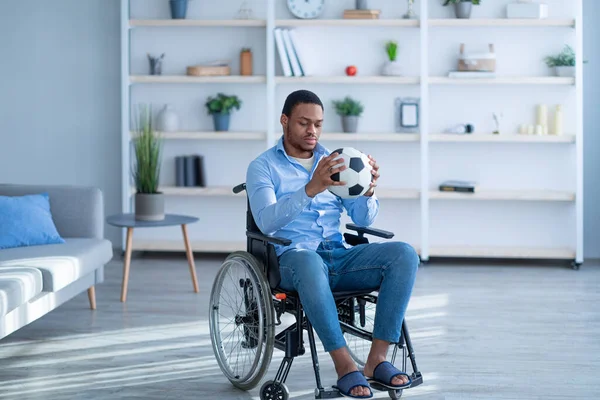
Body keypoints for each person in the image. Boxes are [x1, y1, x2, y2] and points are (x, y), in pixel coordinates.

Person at [245, 90, 419, 399]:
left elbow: (363, 220)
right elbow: (267, 222)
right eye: (303, 123)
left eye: (318, 124)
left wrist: (368, 191)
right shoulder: (263, 167)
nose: (312, 131)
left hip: (337, 255)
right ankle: (344, 367)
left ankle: (376, 361)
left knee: (404, 254)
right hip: (291, 259)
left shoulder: (338, 161)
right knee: (309, 261)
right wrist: (311, 189)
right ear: (285, 121)